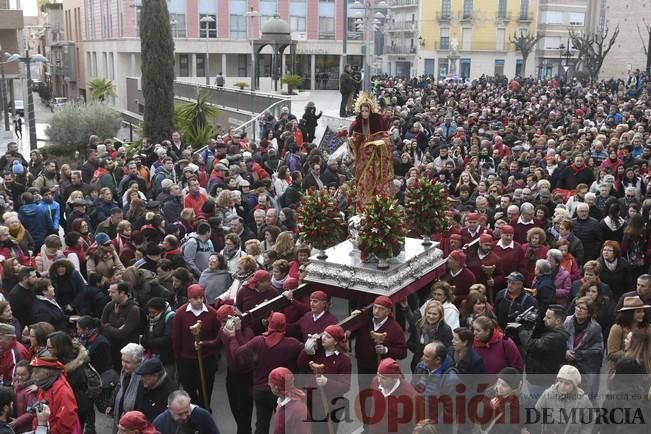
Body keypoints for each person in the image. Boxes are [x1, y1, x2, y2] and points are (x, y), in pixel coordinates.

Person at [222, 312, 303, 434]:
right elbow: (305, 355)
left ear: (269, 324)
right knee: (284, 425)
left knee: (261, 424)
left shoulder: (258, 341)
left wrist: (233, 336)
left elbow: (238, 354)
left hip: (260, 391)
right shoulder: (292, 344)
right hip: (280, 391)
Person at [171, 284, 220, 411]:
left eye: (201, 297)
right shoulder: (180, 314)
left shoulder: (212, 314)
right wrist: (178, 357)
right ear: (189, 299)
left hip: (206, 358)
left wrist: (212, 353)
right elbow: (176, 337)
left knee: (206, 387)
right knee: (189, 388)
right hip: (186, 359)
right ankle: (194, 410)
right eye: (196, 298)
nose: (199, 300)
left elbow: (217, 336)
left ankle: (205, 409)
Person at [298, 324, 351, 434]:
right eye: (324, 335)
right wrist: (306, 351)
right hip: (311, 401)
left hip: (331, 403)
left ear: (336, 341)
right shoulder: (316, 353)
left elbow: (345, 386)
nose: (323, 338)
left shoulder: (344, 360)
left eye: (328, 337)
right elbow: (301, 365)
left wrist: (327, 382)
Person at [346, 92, 394, 207]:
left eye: (366, 111)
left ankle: (375, 198)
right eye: (362, 111)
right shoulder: (358, 122)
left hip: (376, 155)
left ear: (371, 110)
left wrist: (376, 143)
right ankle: (363, 199)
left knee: (374, 176)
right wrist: (349, 139)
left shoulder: (377, 120)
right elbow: (356, 139)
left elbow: (385, 138)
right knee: (363, 177)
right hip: (363, 155)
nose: (364, 113)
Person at [524, 305, 570, 398]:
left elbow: (532, 346)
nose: (544, 319)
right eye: (545, 316)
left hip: (542, 383)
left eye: (548, 317)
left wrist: (521, 331)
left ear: (558, 321)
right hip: (538, 380)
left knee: (540, 408)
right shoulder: (550, 332)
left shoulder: (555, 337)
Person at [563, 296, 604, 400]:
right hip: (569, 365)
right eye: (577, 306)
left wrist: (578, 355)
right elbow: (561, 340)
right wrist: (566, 351)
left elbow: (598, 349)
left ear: (589, 313)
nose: (578, 310)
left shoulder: (595, 327)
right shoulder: (568, 321)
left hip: (586, 368)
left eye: (583, 308)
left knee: (584, 398)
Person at [29, 356, 81, 434]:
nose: (32, 376)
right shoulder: (45, 385)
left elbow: (65, 422)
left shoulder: (62, 392)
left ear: (47, 374)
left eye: (36, 372)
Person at [534, 365, 593, 434]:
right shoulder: (547, 395)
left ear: (574, 385)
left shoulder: (583, 399)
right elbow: (535, 415)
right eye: (560, 381)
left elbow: (589, 421)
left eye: (567, 383)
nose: (562, 386)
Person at [101, 281, 143, 371]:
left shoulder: (133, 310)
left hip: (127, 353)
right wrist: (114, 329)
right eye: (109, 291)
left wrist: (108, 326)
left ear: (122, 293)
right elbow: (101, 324)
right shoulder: (109, 305)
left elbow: (122, 334)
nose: (109, 295)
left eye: (113, 292)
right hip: (112, 350)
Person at [606, 295, 650, 375]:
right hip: (621, 373)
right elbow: (611, 354)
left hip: (645, 372)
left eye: (643, 311)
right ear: (629, 313)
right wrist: (634, 352)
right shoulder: (617, 328)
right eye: (638, 312)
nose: (642, 314)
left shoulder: (648, 329)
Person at [471, 315, 522, 381]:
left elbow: (517, 365)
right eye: (474, 329)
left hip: (502, 386)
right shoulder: (472, 343)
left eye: (478, 330)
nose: (474, 333)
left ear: (487, 331)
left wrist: (511, 383)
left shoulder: (505, 342)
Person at [110, 343, 145, 430]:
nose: (123, 365)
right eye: (122, 360)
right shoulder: (124, 372)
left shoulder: (143, 379)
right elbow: (119, 388)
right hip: (121, 414)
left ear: (138, 363)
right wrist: (111, 404)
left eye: (127, 362)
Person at [141, 298, 176, 382]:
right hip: (153, 355)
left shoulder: (170, 317)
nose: (151, 315)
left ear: (162, 310)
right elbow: (147, 332)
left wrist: (151, 341)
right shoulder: (151, 318)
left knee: (167, 381)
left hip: (167, 358)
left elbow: (168, 338)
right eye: (149, 313)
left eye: (154, 313)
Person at [153, 390, 219, 434]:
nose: (184, 417)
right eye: (180, 414)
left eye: (186, 412)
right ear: (170, 409)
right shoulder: (159, 423)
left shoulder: (203, 416)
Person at [268, 367, 310, 434]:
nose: (268, 384)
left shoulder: (298, 410)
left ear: (276, 387)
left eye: (270, 382)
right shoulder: (281, 403)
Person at [134, 358, 177, 423]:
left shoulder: (171, 393)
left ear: (155, 376)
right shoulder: (144, 385)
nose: (140, 379)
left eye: (143, 376)